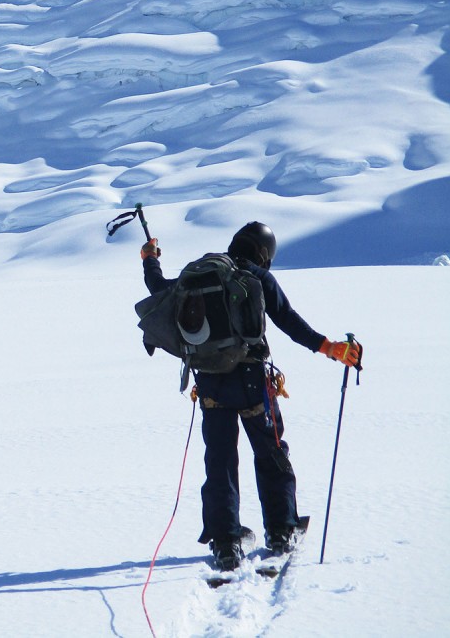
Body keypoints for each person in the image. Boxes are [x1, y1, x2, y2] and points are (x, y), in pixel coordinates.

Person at [140, 221, 362, 571]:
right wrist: (329, 348)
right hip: (251, 380)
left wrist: (150, 258)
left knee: (220, 460)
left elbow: (157, 287)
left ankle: (226, 541)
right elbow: (287, 319)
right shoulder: (256, 276)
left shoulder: (198, 276)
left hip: (211, 382)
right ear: (264, 252)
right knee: (270, 450)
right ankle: (281, 529)